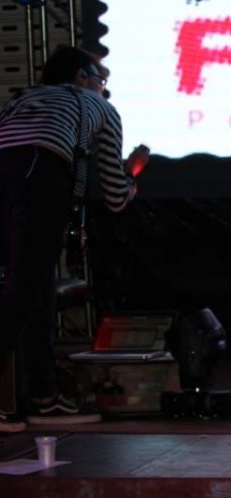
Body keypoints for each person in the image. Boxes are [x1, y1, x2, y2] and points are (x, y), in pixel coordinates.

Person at [0, 46, 149, 432]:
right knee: (23, 292)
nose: (105, 90)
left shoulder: (22, 99)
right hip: (39, 174)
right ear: (82, 76)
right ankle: (40, 396)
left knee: (35, 290)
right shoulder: (99, 106)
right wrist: (132, 174)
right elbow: (115, 198)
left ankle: (44, 397)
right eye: (103, 81)